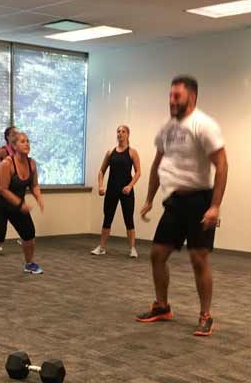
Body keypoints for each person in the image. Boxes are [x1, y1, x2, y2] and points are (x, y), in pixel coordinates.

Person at [136, 75, 228, 337]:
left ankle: (205, 315)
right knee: (157, 254)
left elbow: (222, 165)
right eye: (170, 95)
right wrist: (149, 199)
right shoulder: (167, 128)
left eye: (177, 96)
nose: (172, 100)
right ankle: (162, 306)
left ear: (192, 97)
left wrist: (215, 206)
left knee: (198, 258)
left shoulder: (204, 125)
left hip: (201, 200)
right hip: (176, 201)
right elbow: (157, 164)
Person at [0, 131, 44, 281]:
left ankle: (29, 264)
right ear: (14, 146)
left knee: (29, 234)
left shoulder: (31, 163)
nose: (26, 144)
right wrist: (20, 204)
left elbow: (34, 185)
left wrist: (39, 198)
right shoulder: (7, 164)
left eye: (28, 141)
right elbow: (2, 189)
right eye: (22, 141)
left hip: (16, 203)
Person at [91, 125, 141, 258]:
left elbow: (138, 172)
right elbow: (101, 171)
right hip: (112, 189)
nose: (120, 133)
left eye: (123, 131)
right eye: (118, 131)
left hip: (126, 191)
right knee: (107, 218)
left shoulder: (132, 152)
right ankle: (101, 247)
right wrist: (101, 186)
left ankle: (132, 249)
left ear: (128, 134)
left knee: (129, 219)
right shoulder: (110, 152)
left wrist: (130, 186)